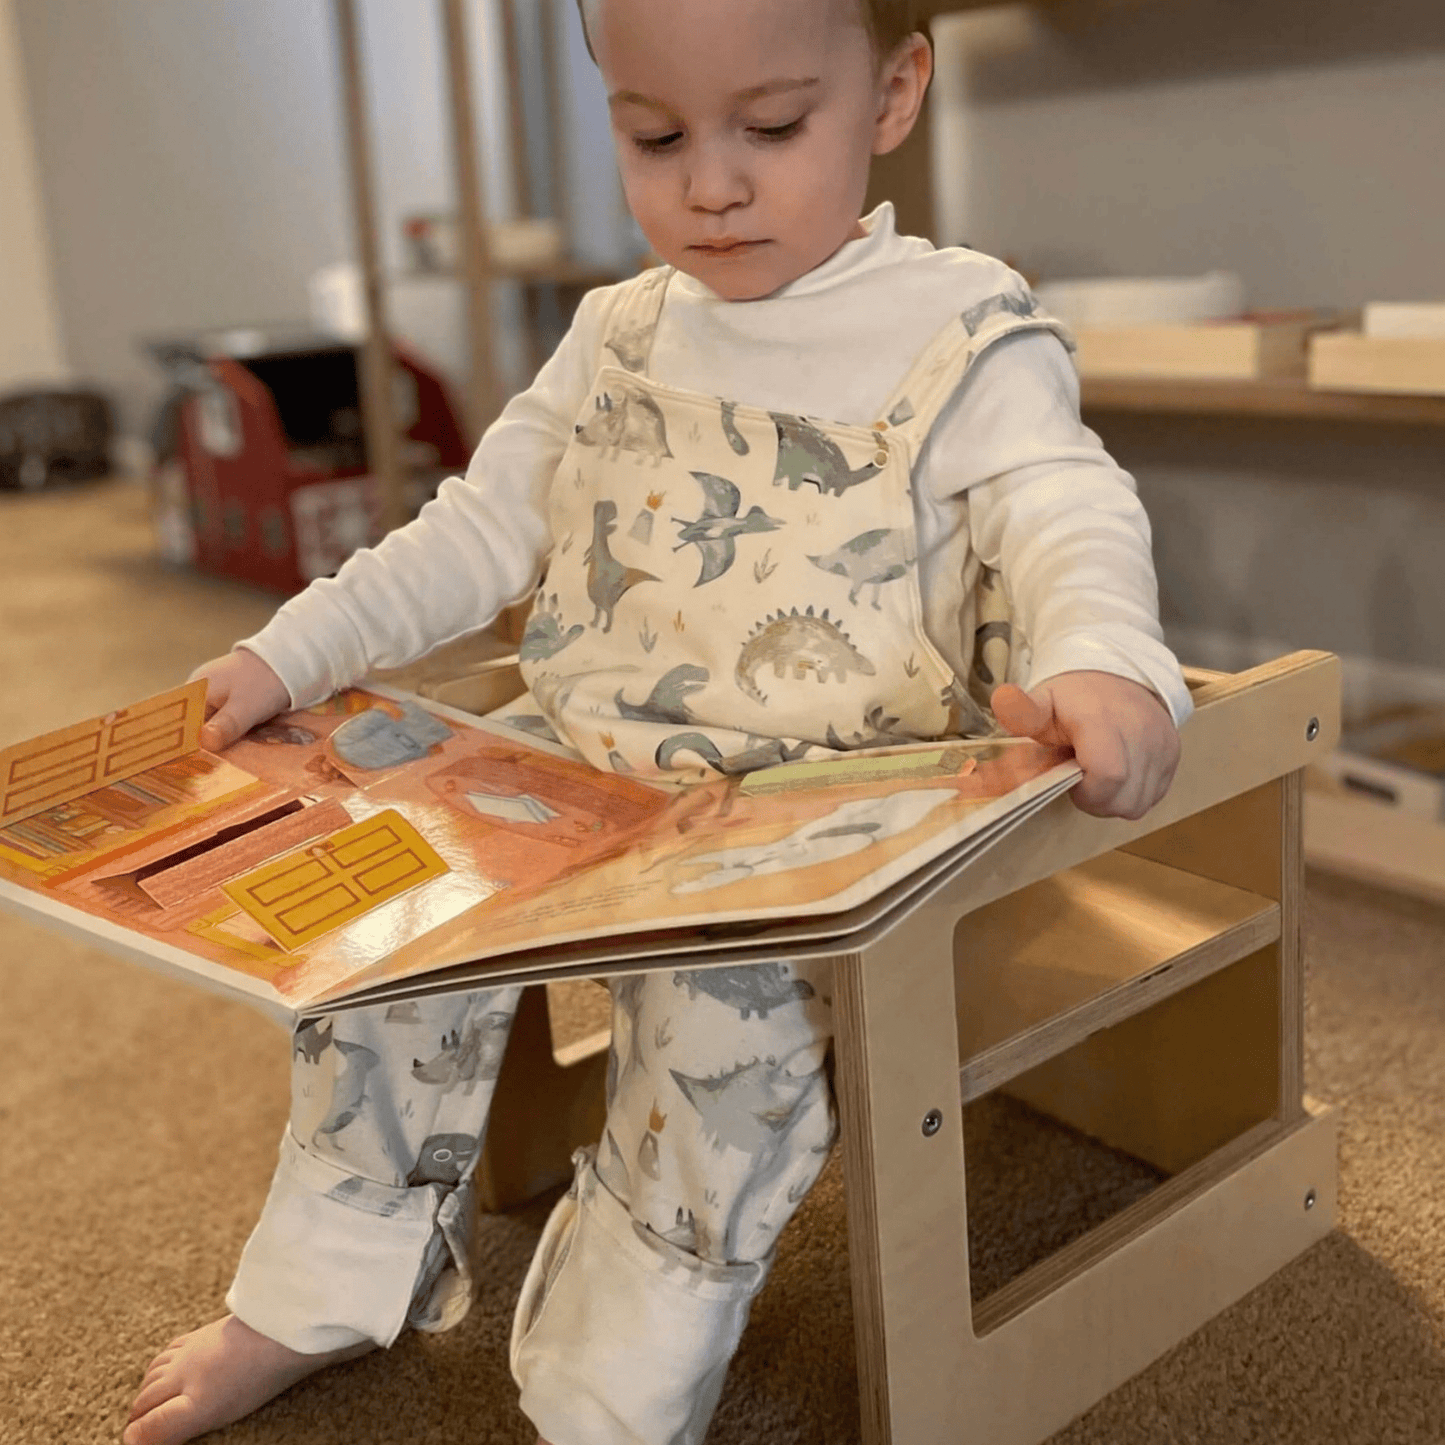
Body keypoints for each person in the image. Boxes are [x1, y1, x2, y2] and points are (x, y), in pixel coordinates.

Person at [123, 1, 1186, 1442]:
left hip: (804, 821)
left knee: (715, 1050)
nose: (711, 183)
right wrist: (292, 652)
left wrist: (1107, 653)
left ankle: (607, 1396)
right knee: (377, 927)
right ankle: (316, 1287)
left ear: (892, 91)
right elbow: (472, 532)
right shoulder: (612, 334)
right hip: (569, 781)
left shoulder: (965, 327)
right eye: (655, 135)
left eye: (770, 126)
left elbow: (1069, 510)